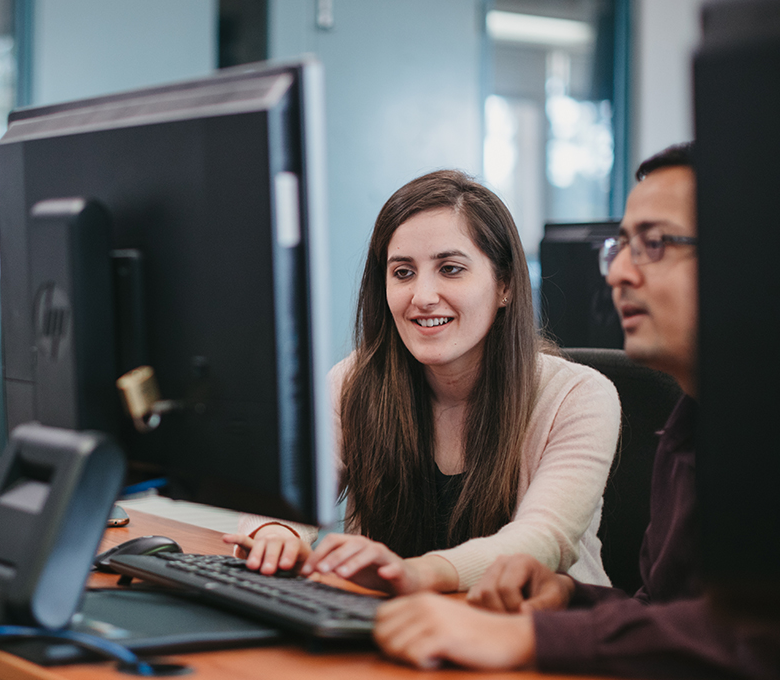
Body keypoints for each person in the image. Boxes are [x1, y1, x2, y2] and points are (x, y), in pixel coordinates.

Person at [373, 143, 780, 680]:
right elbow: (666, 617)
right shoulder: (691, 422)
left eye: (654, 245)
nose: (618, 275)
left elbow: (757, 636)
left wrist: (527, 636)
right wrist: (568, 596)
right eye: (622, 247)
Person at [224, 169, 620, 596]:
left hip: (539, 643)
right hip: (394, 632)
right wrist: (276, 534)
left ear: (504, 284)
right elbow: (287, 494)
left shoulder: (578, 396)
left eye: (450, 269)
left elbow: (539, 544)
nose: (423, 295)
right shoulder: (354, 381)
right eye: (403, 272)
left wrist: (416, 574)